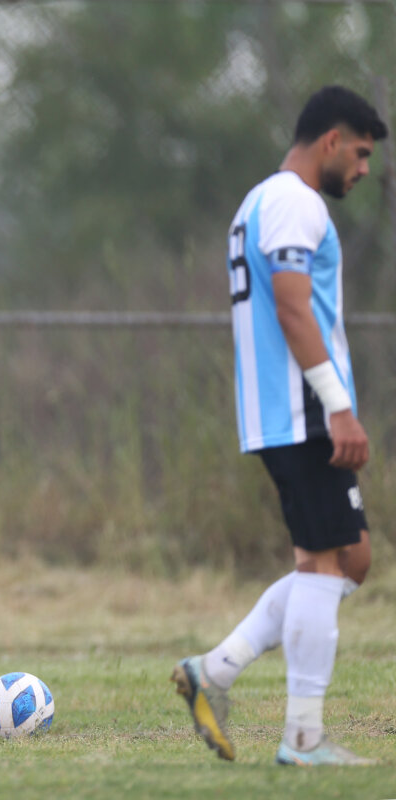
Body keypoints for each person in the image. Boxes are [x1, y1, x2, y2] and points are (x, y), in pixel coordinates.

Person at [172, 86, 388, 766]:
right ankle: (303, 740)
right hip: (301, 412)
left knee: (349, 558)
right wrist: (337, 405)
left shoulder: (261, 201)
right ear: (331, 141)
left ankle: (215, 670)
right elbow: (293, 307)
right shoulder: (296, 202)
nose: (363, 169)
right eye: (360, 154)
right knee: (325, 564)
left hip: (284, 411)